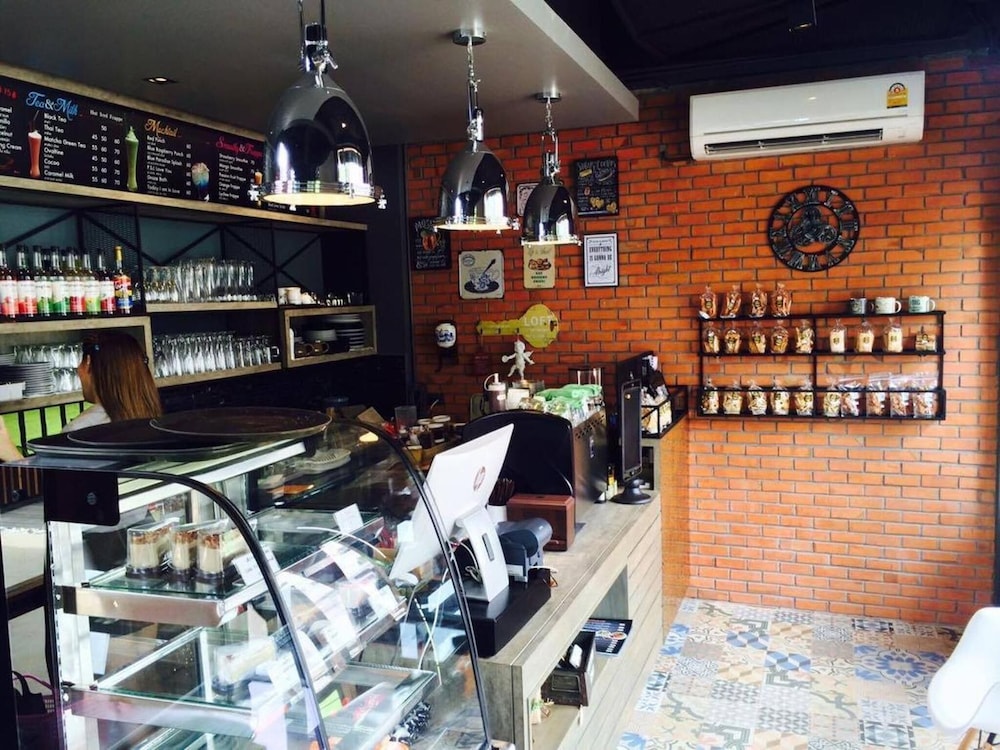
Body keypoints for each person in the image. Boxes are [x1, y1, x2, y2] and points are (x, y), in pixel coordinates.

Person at [0, 330, 162, 461]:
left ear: (88, 363)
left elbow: (60, 485)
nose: (78, 370)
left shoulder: (79, 433)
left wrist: (10, 453)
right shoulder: (152, 419)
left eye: (80, 362)